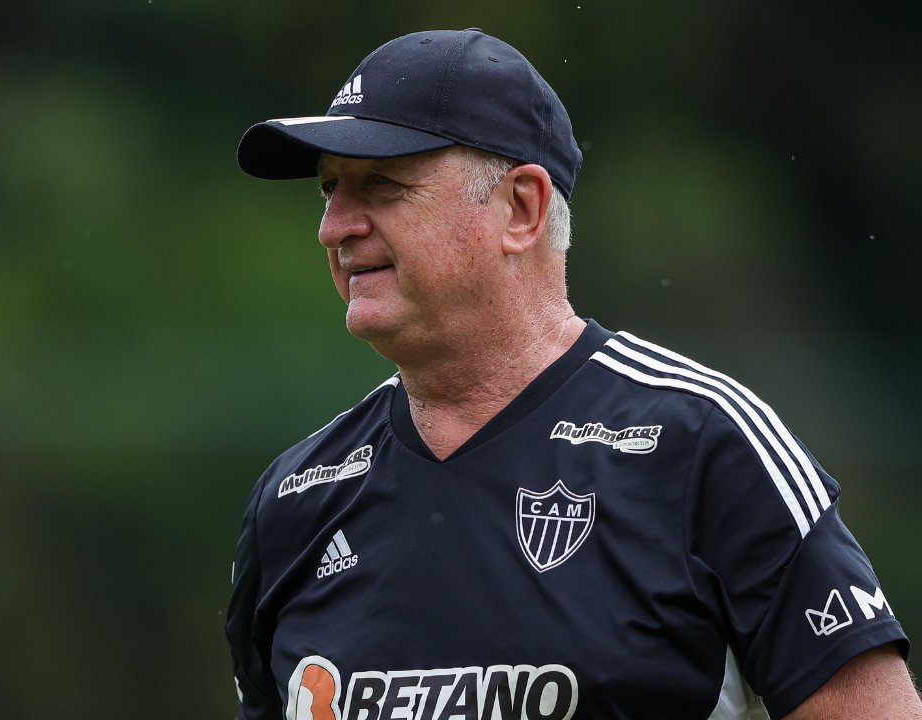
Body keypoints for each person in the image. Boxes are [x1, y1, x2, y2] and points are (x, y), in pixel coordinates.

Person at [224, 28, 919, 720]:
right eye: (329, 190)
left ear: (521, 209)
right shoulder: (295, 500)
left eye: (382, 184)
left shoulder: (702, 445)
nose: (334, 227)